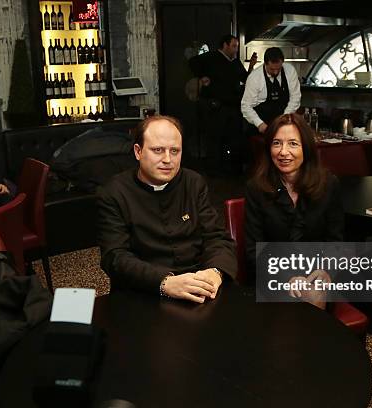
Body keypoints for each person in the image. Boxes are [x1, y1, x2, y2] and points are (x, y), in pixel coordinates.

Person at [97, 115, 237, 303]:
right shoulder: (114, 192)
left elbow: (216, 237)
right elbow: (115, 257)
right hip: (144, 290)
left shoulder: (193, 182)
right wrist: (164, 283)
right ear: (138, 152)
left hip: (198, 285)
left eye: (175, 151)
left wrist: (214, 272)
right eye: (158, 150)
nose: (167, 159)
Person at [244, 114, 343, 307]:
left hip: (317, 273)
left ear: (306, 147)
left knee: (315, 293)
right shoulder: (256, 188)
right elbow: (254, 250)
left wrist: (326, 271)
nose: (283, 152)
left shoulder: (329, 184)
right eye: (277, 143)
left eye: (293, 144)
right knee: (304, 299)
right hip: (273, 276)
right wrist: (288, 278)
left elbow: (335, 241)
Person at [189, 35, 257, 173]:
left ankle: (232, 171)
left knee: (234, 139)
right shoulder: (211, 58)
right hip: (216, 107)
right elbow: (192, 62)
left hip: (233, 106)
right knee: (215, 140)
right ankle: (215, 172)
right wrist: (202, 77)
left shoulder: (236, 62)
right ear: (225, 45)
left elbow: (245, 79)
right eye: (234, 46)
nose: (236, 49)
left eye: (237, 46)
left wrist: (251, 66)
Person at [241, 47, 301, 135]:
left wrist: (285, 117)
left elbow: (295, 97)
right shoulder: (255, 77)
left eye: (278, 69)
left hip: (282, 124)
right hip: (260, 125)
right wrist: (259, 124)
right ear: (265, 64)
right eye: (272, 69)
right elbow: (246, 106)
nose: (276, 72)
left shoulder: (290, 71)